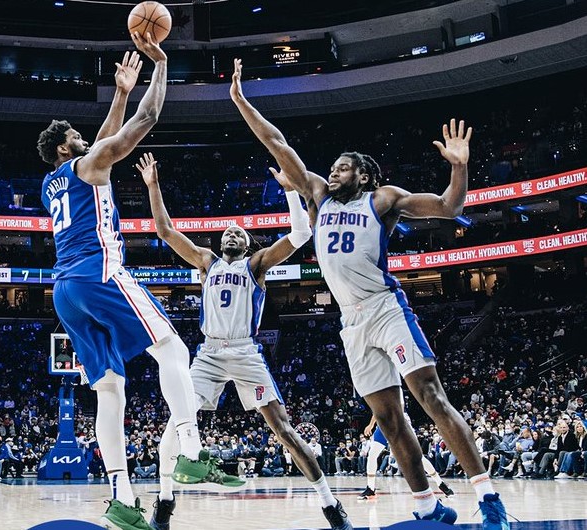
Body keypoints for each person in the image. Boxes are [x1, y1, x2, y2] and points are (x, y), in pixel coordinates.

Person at [229, 57, 509, 529]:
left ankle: (489, 500)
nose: (332, 173)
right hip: (350, 322)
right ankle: (426, 505)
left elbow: (449, 206)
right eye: (332, 169)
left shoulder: (382, 199)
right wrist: (239, 99)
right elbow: (277, 143)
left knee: (431, 397)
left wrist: (459, 168)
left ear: (363, 175)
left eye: (342, 169)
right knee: (389, 420)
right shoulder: (317, 196)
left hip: (385, 308)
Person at [37, 34, 240, 530]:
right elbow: (142, 125)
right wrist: (160, 66)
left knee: (110, 392)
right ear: (67, 146)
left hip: (65, 292)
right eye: (76, 136)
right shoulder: (88, 163)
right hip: (101, 273)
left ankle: (123, 498)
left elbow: (104, 143)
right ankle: (191, 449)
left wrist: (122, 92)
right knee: (171, 348)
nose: (85, 138)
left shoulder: (54, 182)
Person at [137, 152, 352, 530]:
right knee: (177, 422)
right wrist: (153, 186)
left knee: (283, 430)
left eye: (238, 233)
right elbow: (165, 232)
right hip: (208, 352)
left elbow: (301, 235)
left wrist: (289, 192)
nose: (231, 234)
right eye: (227, 233)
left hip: (245, 350)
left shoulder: (256, 265)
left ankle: (330, 505)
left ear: (248, 243)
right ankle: (165, 502)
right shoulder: (206, 262)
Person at [358, 413, 454, 499]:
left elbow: (386, 406)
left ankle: (440, 483)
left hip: (400, 423)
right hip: (383, 425)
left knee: (418, 457)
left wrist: (372, 424)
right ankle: (370, 487)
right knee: (372, 455)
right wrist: (372, 424)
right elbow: (377, 408)